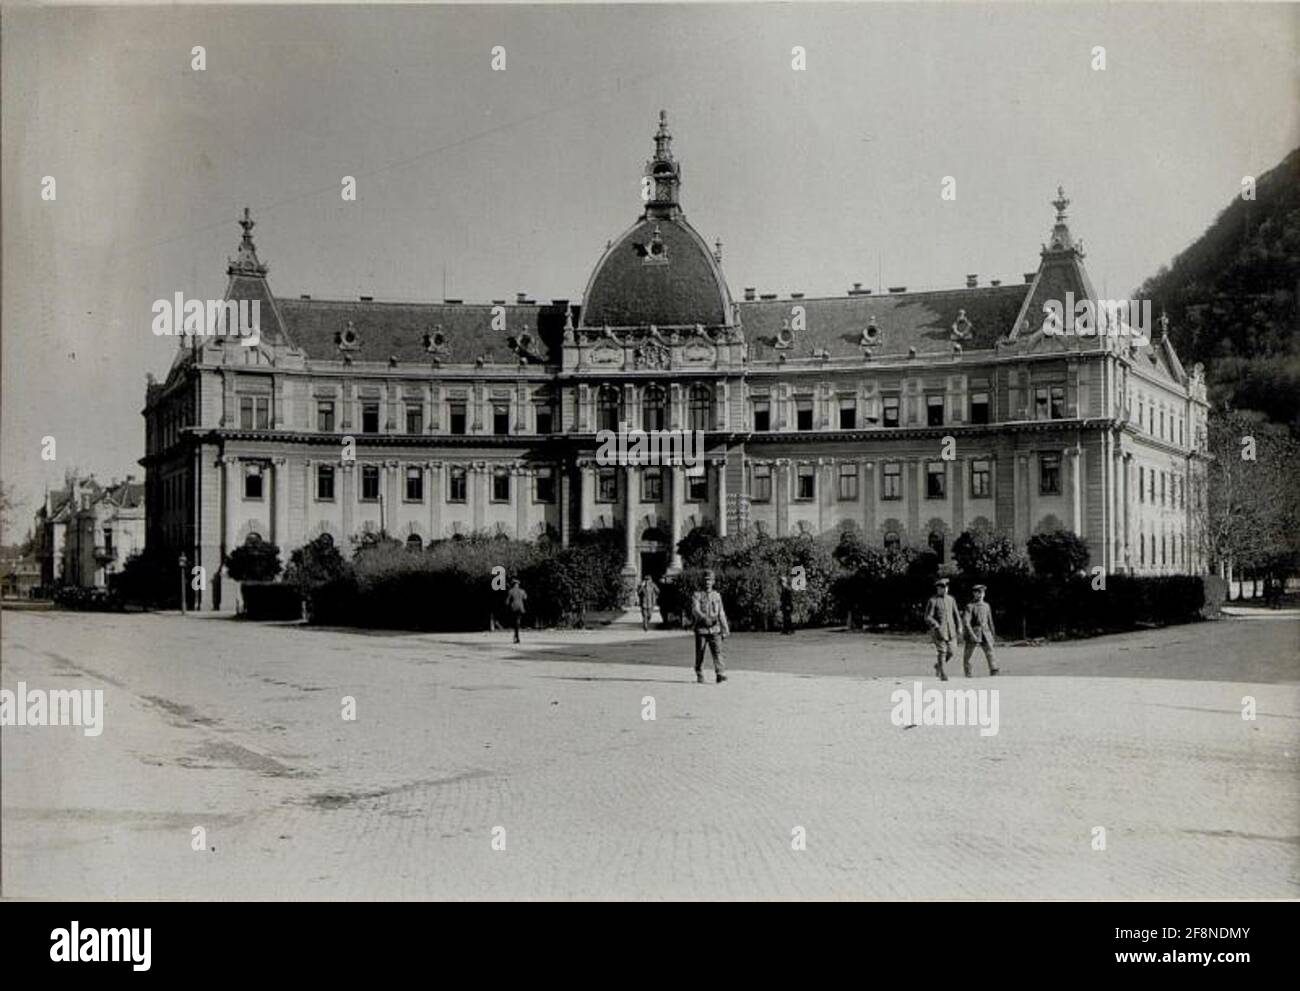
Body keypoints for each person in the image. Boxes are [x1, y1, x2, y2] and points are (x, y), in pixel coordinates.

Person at [691, 569, 730, 684]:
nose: (707, 583)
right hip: (701, 629)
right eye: (705, 580)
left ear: (713, 582)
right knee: (700, 653)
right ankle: (699, 672)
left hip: (715, 628)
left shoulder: (717, 596)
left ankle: (719, 673)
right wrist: (704, 617)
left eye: (709, 580)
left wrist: (725, 628)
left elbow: (721, 612)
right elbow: (695, 610)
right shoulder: (697, 595)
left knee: (717, 651)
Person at [923, 577, 961, 681]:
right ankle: (943, 674)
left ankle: (938, 665)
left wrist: (960, 626)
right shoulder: (933, 600)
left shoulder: (951, 599)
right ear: (938, 589)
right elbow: (927, 616)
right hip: (939, 631)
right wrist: (935, 624)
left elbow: (956, 614)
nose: (945, 589)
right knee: (942, 651)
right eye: (942, 588)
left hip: (951, 631)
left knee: (952, 651)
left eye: (946, 587)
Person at [961, 584, 1000, 677]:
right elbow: (966, 622)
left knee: (990, 652)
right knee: (968, 655)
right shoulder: (970, 606)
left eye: (982, 592)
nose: (981, 594)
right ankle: (968, 673)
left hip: (986, 633)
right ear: (974, 594)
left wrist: (992, 635)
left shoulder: (986, 606)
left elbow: (990, 621)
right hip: (974, 632)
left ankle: (994, 671)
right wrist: (972, 635)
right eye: (979, 592)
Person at [505, 578, 527, 644]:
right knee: (518, 621)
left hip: (514, 608)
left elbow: (507, 602)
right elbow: (525, 598)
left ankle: (516, 636)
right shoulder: (522, 591)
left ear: (513, 584)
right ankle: (516, 635)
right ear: (518, 584)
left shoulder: (511, 591)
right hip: (520, 608)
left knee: (514, 623)